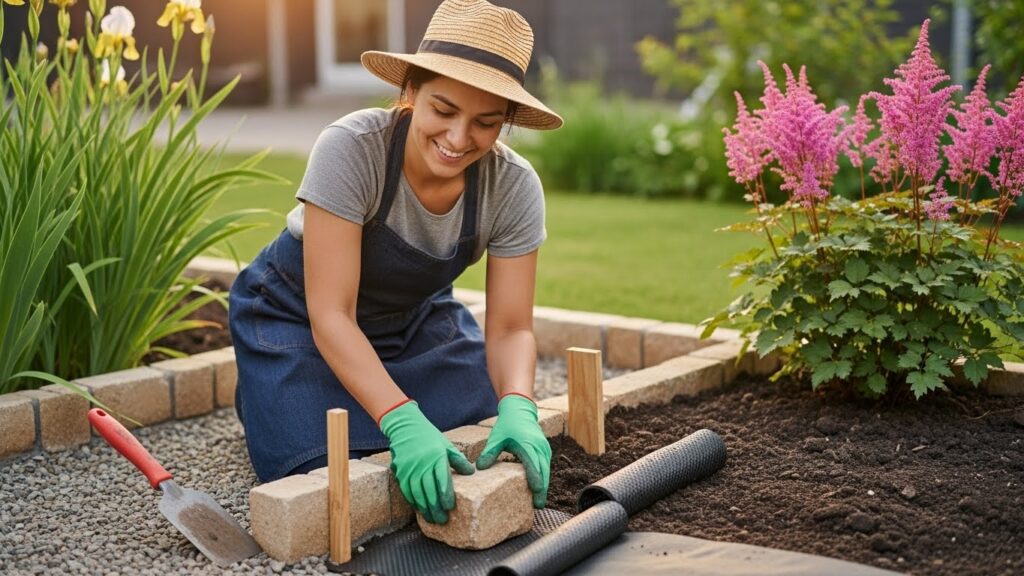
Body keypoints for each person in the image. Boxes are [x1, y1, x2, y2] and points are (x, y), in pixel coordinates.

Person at [228, 0, 563, 525]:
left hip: (412, 321)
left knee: (479, 424)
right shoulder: (352, 148)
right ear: (409, 92)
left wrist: (519, 405)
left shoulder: (514, 186)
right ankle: (267, 386)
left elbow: (512, 327)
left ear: (507, 122)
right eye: (444, 110)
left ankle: (333, 396)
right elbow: (331, 315)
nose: (458, 139)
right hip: (298, 318)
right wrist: (403, 420)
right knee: (318, 467)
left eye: (485, 123)